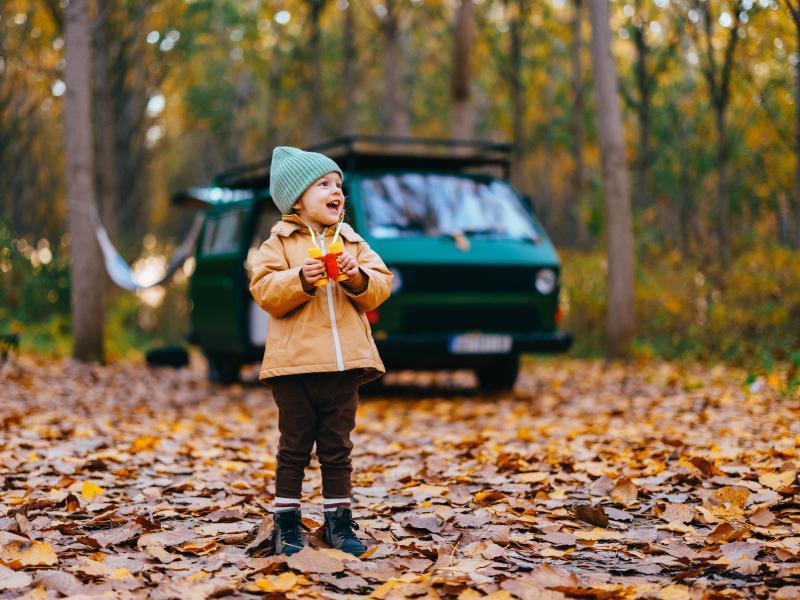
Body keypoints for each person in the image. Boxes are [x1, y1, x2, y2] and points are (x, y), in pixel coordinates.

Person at [249, 146, 393, 556]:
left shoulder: (351, 241)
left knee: (337, 448)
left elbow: (380, 286)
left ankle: (339, 524)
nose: (337, 192)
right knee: (293, 447)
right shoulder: (279, 243)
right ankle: (287, 524)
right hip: (294, 368)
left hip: (343, 366)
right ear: (297, 199)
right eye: (324, 185)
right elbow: (265, 291)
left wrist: (357, 275)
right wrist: (300, 278)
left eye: (339, 186)